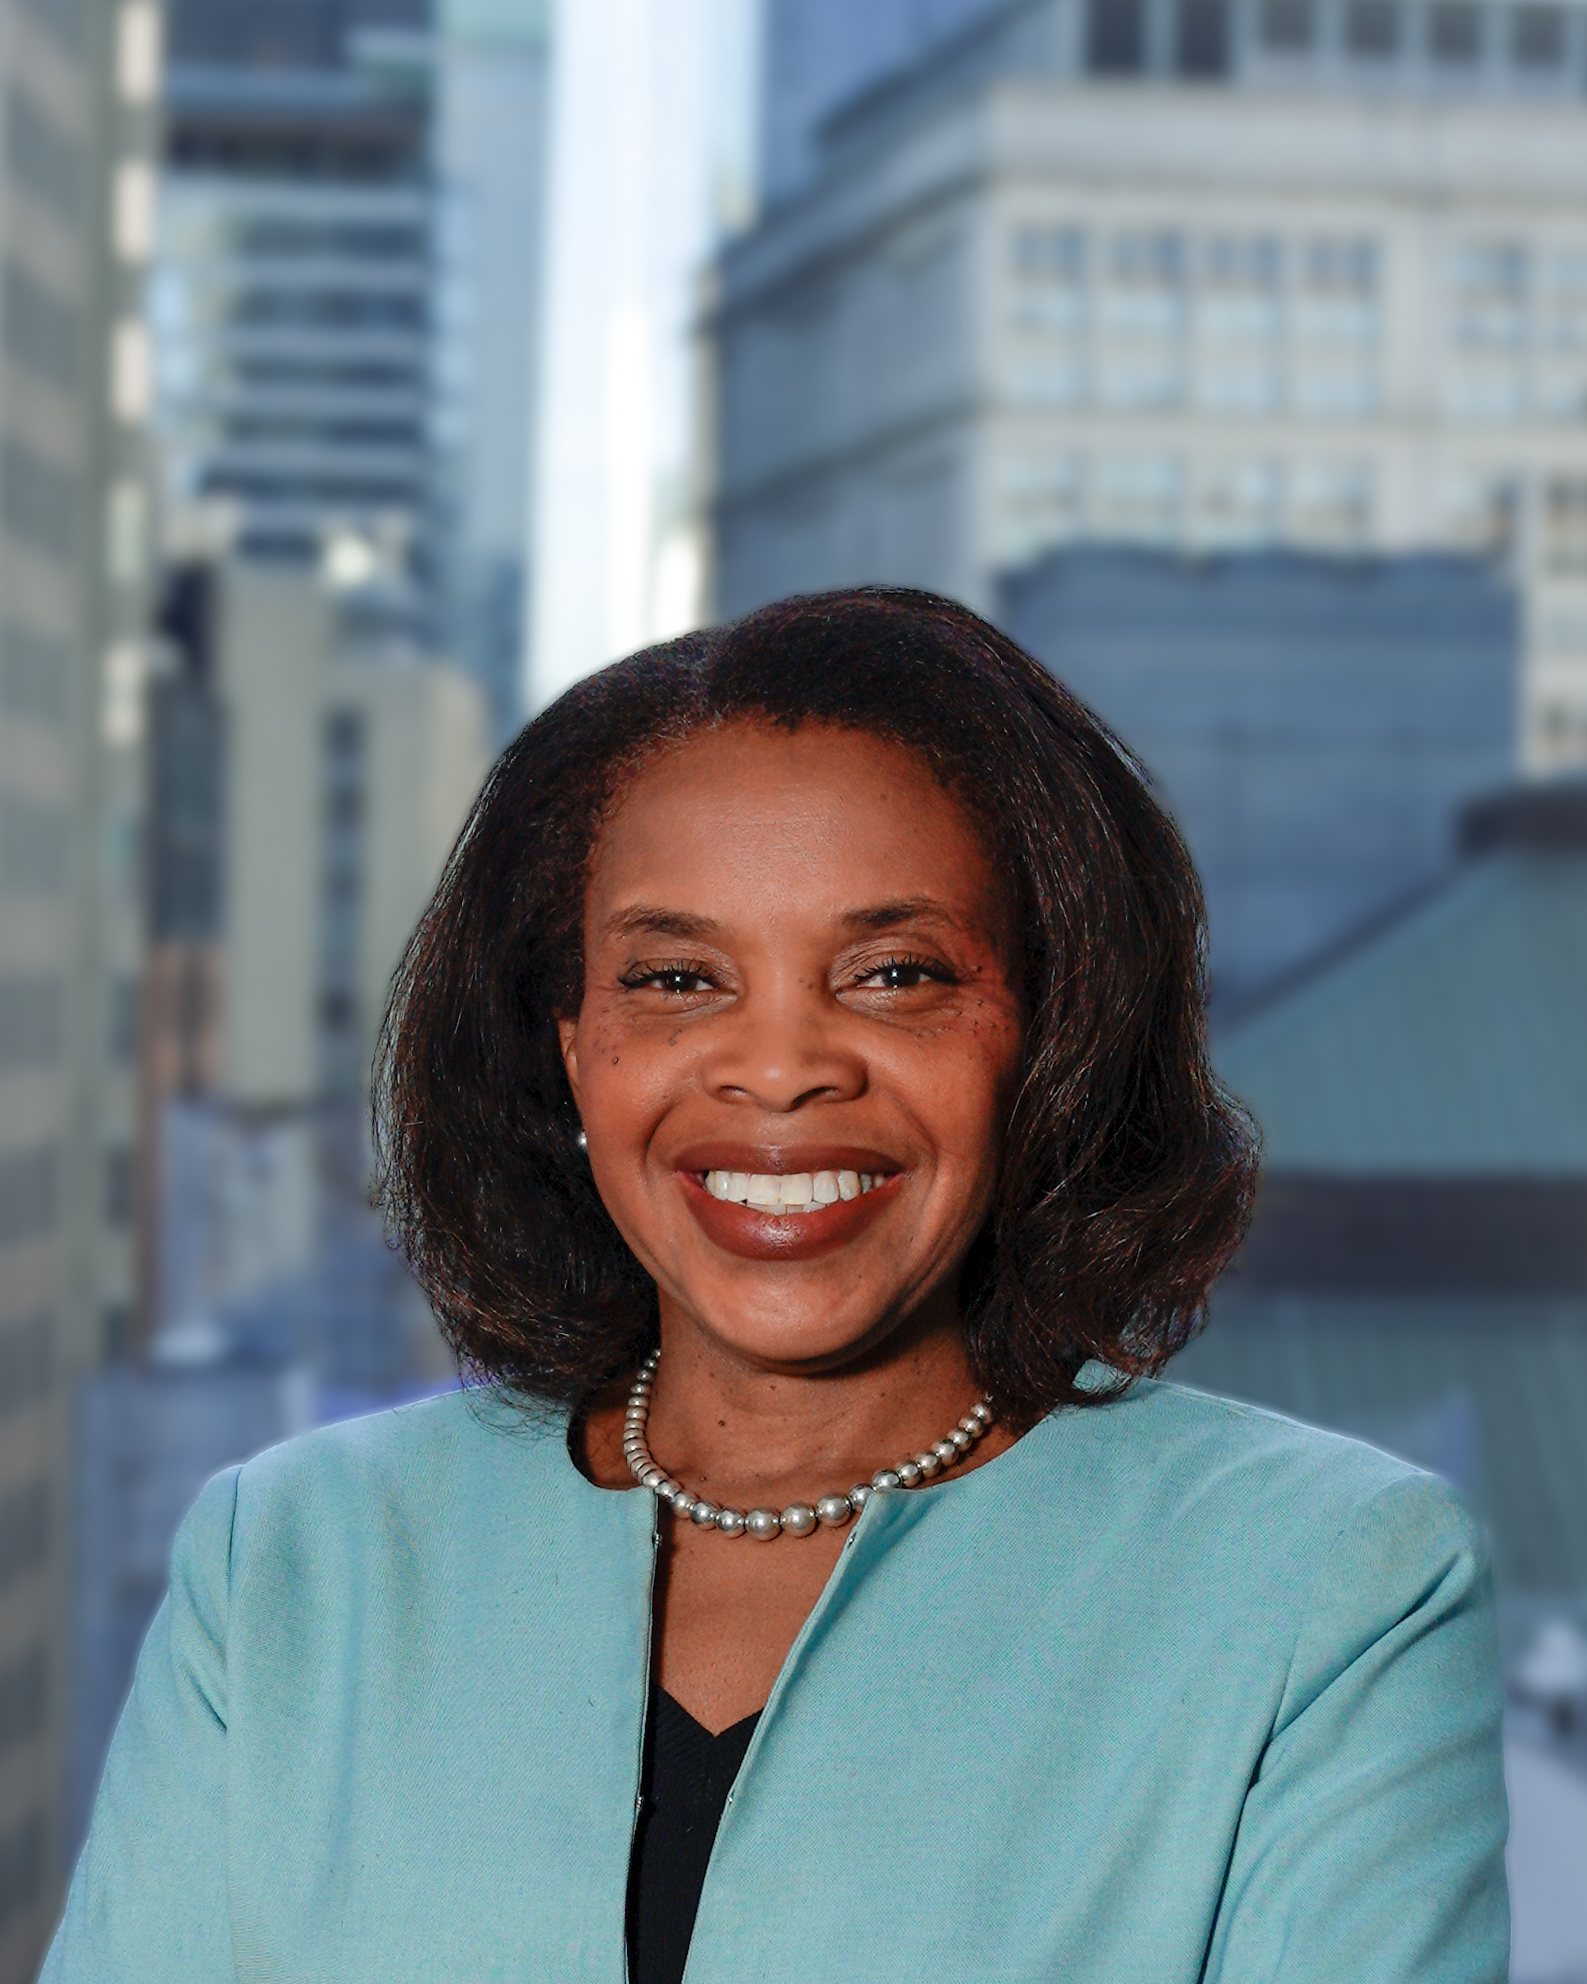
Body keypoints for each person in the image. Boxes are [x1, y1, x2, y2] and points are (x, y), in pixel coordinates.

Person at [44, 589, 1508, 1983]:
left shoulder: (1330, 1593)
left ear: (1049, 1032)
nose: (782, 1066)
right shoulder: (289, 1565)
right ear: (571, 1048)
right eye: (677, 981)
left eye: (895, 973)